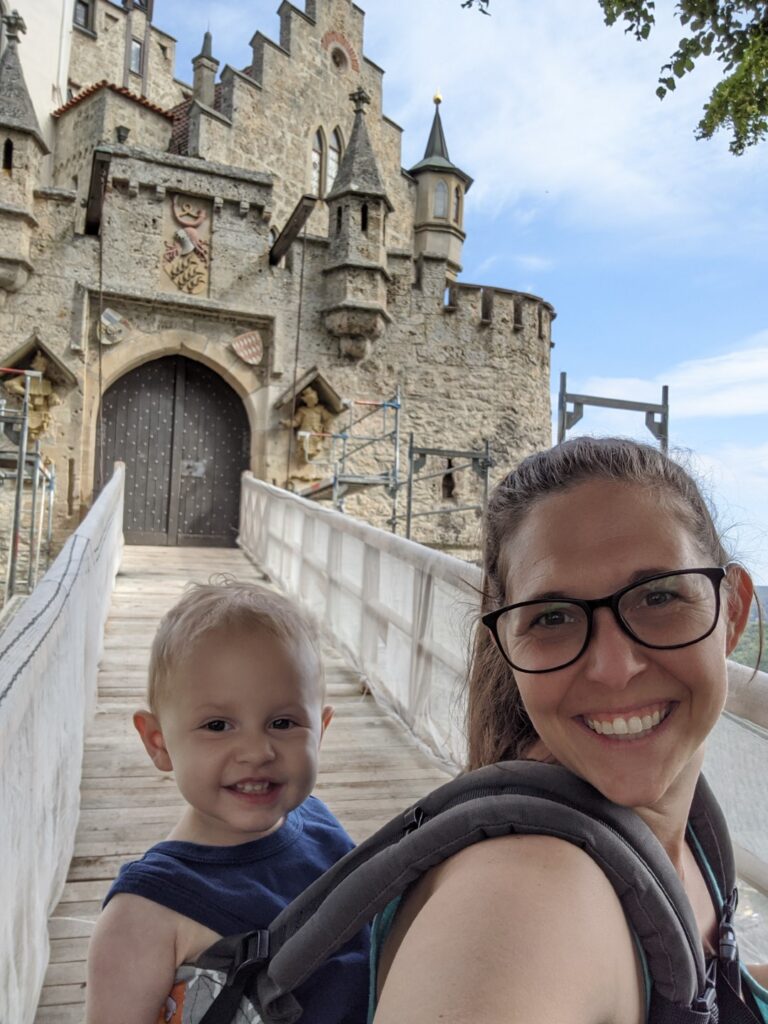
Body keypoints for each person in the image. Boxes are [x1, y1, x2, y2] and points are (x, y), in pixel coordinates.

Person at [372, 436, 768, 1023]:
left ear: (731, 612)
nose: (614, 668)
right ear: (505, 647)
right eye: (553, 618)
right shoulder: (526, 901)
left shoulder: (691, 838)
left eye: (658, 596)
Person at [85, 580, 369, 1024]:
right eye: (218, 725)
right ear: (158, 742)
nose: (257, 751)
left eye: (283, 721)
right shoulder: (143, 915)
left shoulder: (323, 829)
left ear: (322, 729)